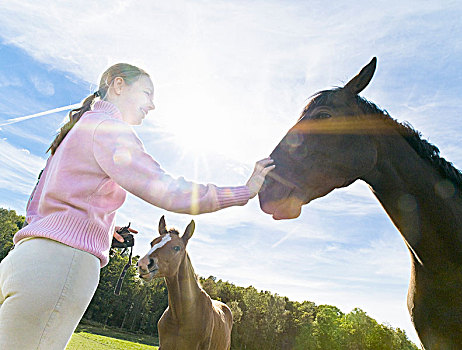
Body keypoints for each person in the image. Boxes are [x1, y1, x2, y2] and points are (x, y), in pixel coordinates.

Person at [0, 63, 274, 349]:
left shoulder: (77, 129)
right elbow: (169, 192)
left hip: (22, 260)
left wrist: (104, 228)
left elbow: (49, 204)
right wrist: (245, 191)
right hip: (61, 266)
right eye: (146, 93)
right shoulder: (109, 129)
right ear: (118, 85)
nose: (152, 105)